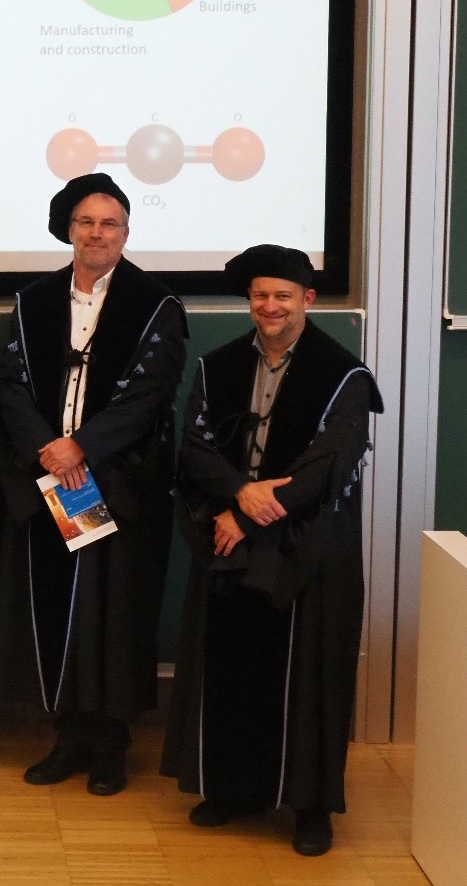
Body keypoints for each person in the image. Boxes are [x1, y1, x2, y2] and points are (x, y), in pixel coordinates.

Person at [162, 245, 381, 858]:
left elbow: (328, 464)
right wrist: (237, 494)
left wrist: (247, 514)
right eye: (261, 295)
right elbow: (195, 447)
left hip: (306, 547)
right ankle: (230, 789)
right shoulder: (219, 367)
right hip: (229, 541)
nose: (270, 306)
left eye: (283, 295)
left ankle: (311, 808)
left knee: (309, 675)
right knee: (230, 665)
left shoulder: (343, 376)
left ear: (306, 299)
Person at [0, 172, 187, 795]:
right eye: (86, 222)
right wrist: (49, 450)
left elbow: (150, 393)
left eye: (110, 223)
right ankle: (68, 734)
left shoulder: (155, 305)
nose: (97, 233)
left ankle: (111, 743)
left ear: (126, 233)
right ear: (68, 230)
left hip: (120, 481)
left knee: (114, 613)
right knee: (60, 608)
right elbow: (11, 386)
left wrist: (83, 446)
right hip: (53, 480)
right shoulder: (34, 302)